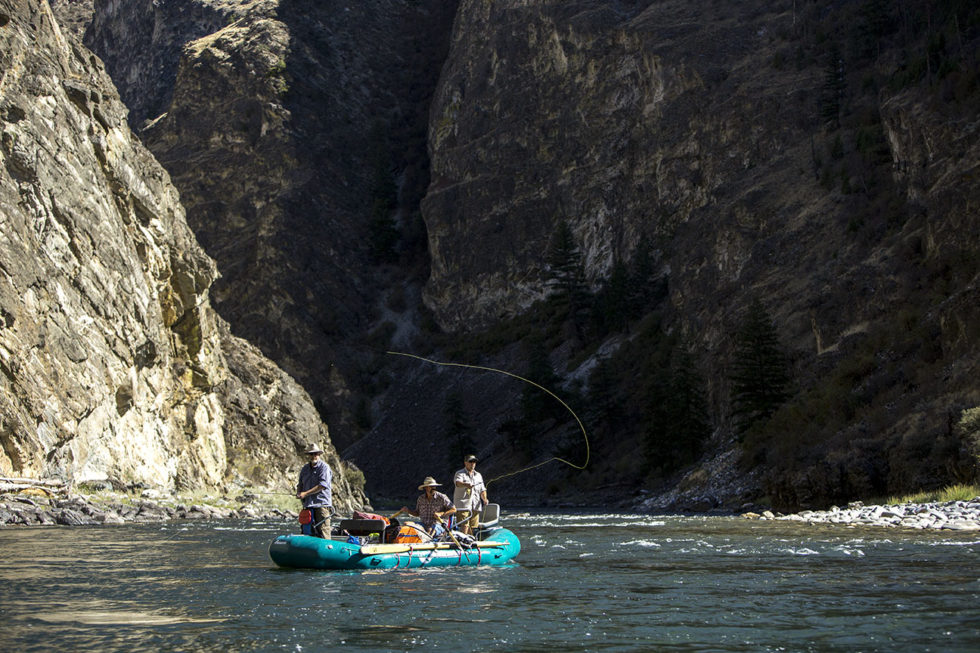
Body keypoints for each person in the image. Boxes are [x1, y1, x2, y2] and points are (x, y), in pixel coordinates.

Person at [296, 442, 332, 538]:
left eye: (315, 454)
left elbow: (322, 485)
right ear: (308, 455)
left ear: (319, 454)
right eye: (311, 454)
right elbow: (300, 484)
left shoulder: (324, 468)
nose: (313, 456)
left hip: (322, 505)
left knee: (324, 531)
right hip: (308, 505)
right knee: (306, 531)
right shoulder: (305, 469)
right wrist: (299, 492)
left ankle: (326, 550)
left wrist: (305, 493)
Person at [453, 454, 488, 535]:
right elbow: (458, 483)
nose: (473, 463)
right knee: (464, 526)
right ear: (465, 463)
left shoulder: (478, 475)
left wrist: (485, 499)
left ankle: (471, 541)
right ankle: (463, 541)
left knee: (473, 527)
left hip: (476, 505)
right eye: (470, 462)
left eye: (474, 462)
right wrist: (466, 485)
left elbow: (482, 489)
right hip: (463, 505)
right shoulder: (459, 473)